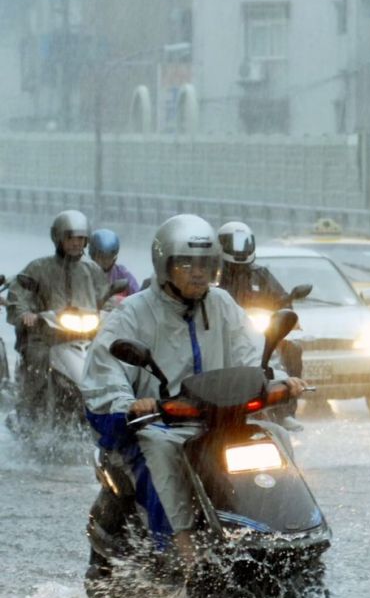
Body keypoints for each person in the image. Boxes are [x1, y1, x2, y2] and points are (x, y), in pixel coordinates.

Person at [81, 214, 306, 573]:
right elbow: (106, 368)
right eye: (186, 264)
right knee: (160, 449)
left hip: (221, 420)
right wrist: (129, 404)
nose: (198, 273)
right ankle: (181, 546)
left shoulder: (222, 304)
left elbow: (250, 352)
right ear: (165, 265)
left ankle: (288, 534)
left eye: (205, 264)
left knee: (274, 435)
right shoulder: (133, 312)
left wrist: (277, 379)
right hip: (161, 422)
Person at [6, 210, 108, 430]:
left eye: (80, 238)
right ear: (58, 238)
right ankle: (31, 414)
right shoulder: (38, 268)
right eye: (70, 238)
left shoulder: (92, 270)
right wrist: (25, 314)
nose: (75, 243)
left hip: (86, 336)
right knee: (37, 357)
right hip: (47, 336)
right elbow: (19, 293)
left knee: (111, 360)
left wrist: (113, 310)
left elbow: (106, 298)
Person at [216, 220, 304, 430]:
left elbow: (281, 299)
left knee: (292, 348)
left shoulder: (260, 275)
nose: (239, 248)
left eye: (243, 242)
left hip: (261, 332)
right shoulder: (215, 277)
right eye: (233, 242)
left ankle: (285, 412)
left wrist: (285, 308)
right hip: (226, 333)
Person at [88, 229, 139, 301]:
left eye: (109, 257)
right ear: (93, 255)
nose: (105, 261)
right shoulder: (84, 272)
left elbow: (137, 298)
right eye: (101, 256)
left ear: (115, 257)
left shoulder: (123, 274)